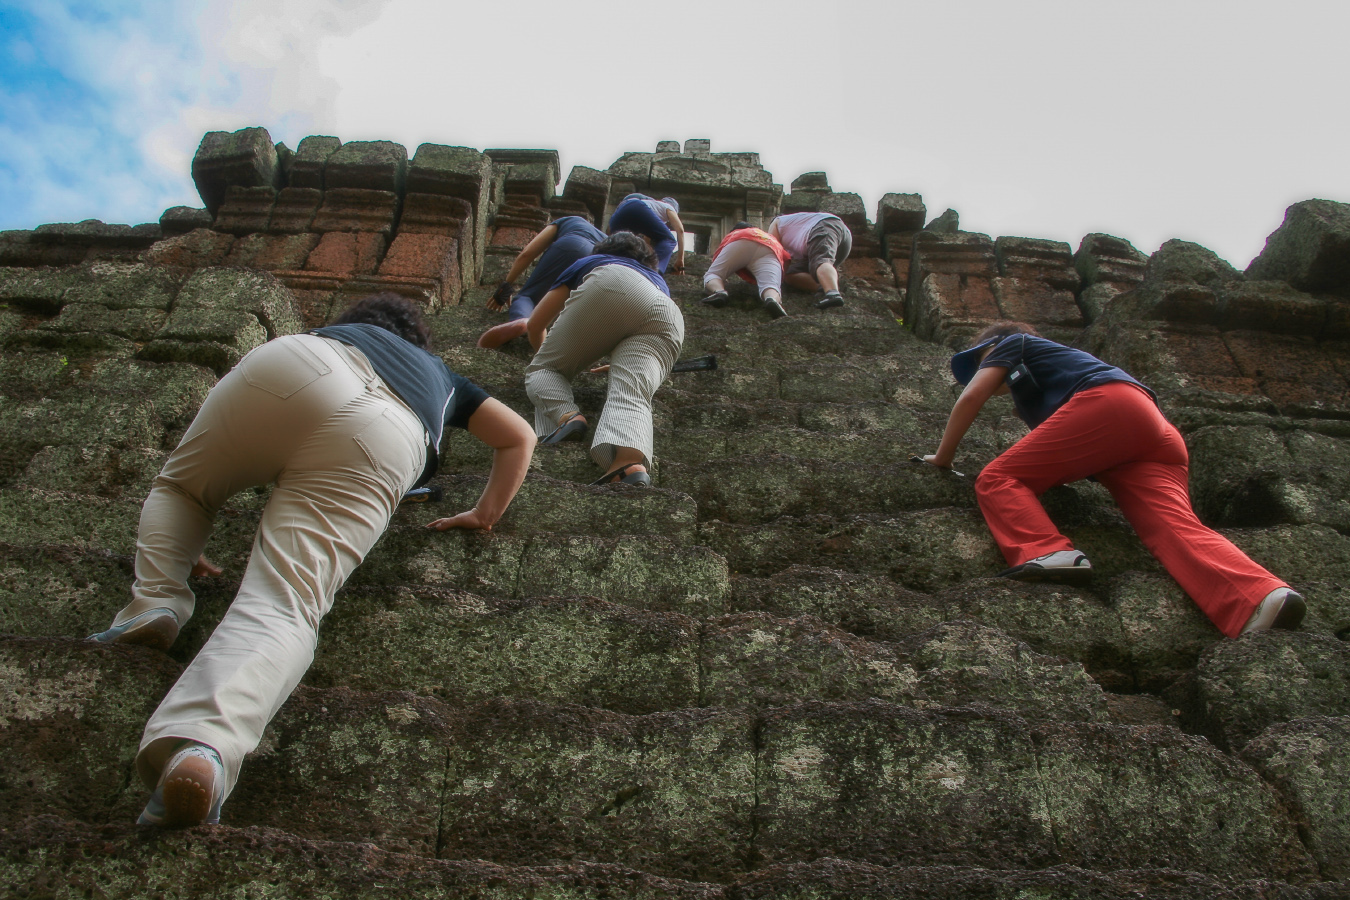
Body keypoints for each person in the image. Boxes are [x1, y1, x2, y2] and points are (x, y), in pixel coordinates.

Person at [88, 293, 536, 827]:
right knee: (287, 601)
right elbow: (519, 437)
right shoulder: (443, 378)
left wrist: (184, 541)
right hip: (393, 428)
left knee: (183, 488)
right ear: (420, 342)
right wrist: (485, 514)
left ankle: (157, 599)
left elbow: (194, 486)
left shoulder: (340, 331)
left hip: (298, 364)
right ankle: (201, 744)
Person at [922, 321, 1305, 639]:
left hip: (1109, 406)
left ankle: (1047, 551)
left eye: (977, 360)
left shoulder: (1012, 343)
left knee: (998, 477)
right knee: (1171, 528)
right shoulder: (1040, 386)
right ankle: (1261, 596)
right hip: (1152, 431)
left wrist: (942, 458)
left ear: (992, 345)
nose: (977, 371)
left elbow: (971, 398)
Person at [524, 232, 684, 486]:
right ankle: (627, 464)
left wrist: (559, 361)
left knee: (544, 368)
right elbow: (636, 317)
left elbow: (535, 325)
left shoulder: (595, 261)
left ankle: (567, 417)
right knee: (633, 390)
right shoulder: (656, 279)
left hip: (614, 283)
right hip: (670, 313)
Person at [478, 215, 606, 349]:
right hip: (597, 264)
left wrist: (507, 284)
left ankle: (523, 320)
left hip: (571, 245)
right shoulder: (611, 241)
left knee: (528, 297)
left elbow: (527, 253)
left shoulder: (571, 220)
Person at [699, 221, 791, 319]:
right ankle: (772, 299)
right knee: (771, 286)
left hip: (740, 240)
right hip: (771, 248)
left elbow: (717, 261)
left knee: (714, 274)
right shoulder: (770, 237)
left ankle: (719, 292)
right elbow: (787, 258)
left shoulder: (735, 233)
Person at [768, 211, 852, 309]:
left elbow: (772, 252)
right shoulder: (792, 240)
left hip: (825, 226)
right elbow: (784, 267)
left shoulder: (777, 222)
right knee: (790, 274)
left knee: (820, 261)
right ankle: (823, 287)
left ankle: (833, 293)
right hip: (842, 242)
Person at [606, 193, 685, 274]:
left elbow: (647, 242)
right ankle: (653, 271)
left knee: (619, 247)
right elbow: (680, 230)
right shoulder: (669, 207)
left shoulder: (652, 207)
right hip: (636, 206)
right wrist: (680, 259)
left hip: (620, 213)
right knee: (669, 240)